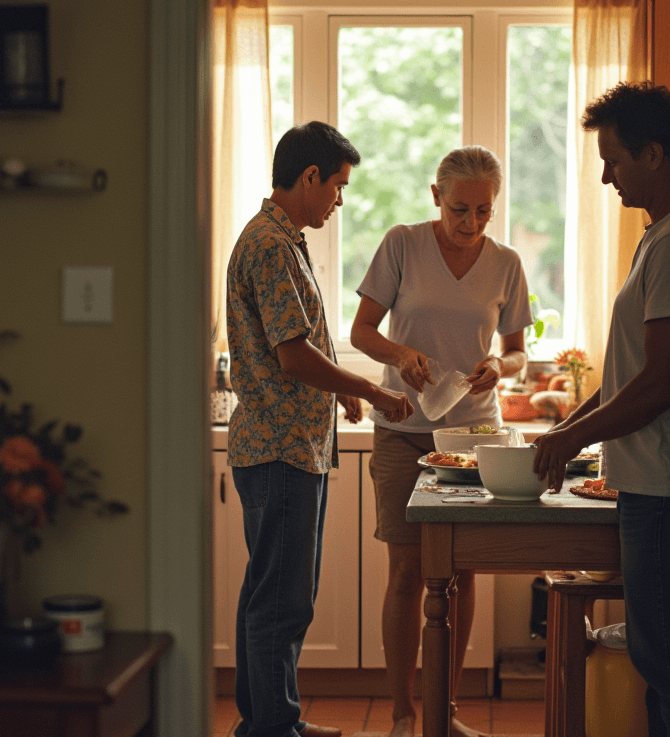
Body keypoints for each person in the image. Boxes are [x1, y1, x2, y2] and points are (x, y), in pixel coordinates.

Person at [533, 82, 670, 737]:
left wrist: (571, 440)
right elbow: (633, 372)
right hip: (666, 482)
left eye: (613, 160)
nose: (604, 177)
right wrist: (569, 426)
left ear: (654, 154)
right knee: (667, 664)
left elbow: (660, 384)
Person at [227, 121, 414, 737]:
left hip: (284, 446)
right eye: (338, 186)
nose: (339, 200)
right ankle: (272, 728)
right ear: (310, 177)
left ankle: (268, 721)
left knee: (268, 594)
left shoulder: (278, 238)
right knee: (282, 601)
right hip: (280, 449)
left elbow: (296, 346)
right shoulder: (272, 245)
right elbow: (293, 355)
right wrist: (369, 389)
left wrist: (341, 395)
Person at [350, 145, 534, 737]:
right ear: (436, 196)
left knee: (462, 572)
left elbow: (517, 352)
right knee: (407, 571)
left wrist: (500, 367)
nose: (471, 223)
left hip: (474, 436)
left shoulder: (506, 263)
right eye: (460, 209)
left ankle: (444, 713)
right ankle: (404, 715)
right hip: (402, 430)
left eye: (484, 211)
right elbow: (361, 331)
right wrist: (400, 354)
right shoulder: (402, 244)